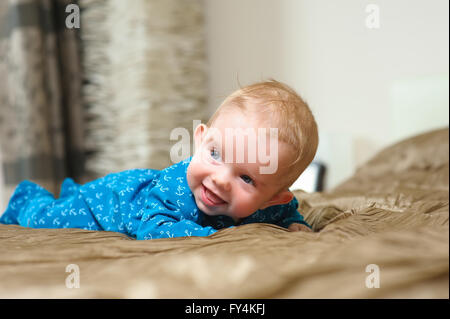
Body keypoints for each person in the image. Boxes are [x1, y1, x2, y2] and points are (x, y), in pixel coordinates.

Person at [0, 80, 319, 240]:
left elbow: (289, 215)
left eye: (246, 178)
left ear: (273, 197)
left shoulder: (275, 204)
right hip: (107, 204)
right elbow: (153, 230)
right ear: (201, 139)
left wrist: (296, 226)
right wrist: (213, 237)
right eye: (215, 154)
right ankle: (29, 199)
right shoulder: (174, 189)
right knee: (43, 219)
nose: (220, 179)